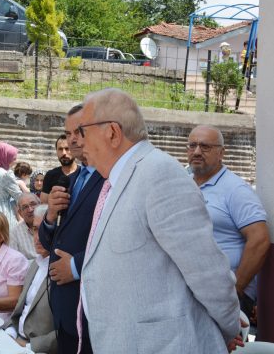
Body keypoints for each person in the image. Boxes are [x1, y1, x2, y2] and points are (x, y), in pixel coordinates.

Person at [76, 89, 241, 353]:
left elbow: (208, 273)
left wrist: (228, 329)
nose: (78, 141)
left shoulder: (160, 174)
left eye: (83, 131)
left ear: (113, 133)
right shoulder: (117, 180)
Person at [39, 104, 105, 354]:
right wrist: (50, 215)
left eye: (79, 131)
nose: (72, 139)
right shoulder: (71, 179)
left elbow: (116, 241)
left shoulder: (110, 180)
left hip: (91, 308)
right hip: (63, 306)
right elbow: (49, 242)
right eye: (68, 133)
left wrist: (76, 266)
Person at [187, 125, 270, 319]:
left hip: (225, 298)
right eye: (192, 145)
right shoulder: (183, 184)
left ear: (221, 153)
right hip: (191, 293)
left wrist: (235, 289)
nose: (197, 151)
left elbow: (260, 240)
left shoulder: (236, 190)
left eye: (205, 147)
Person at [6, 204, 57, 354]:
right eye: (35, 229)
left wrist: (28, 347)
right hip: (16, 340)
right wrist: (10, 333)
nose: (38, 237)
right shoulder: (35, 264)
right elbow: (20, 311)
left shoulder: (63, 271)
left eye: (44, 230)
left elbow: (68, 330)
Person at [40, 134, 78, 203]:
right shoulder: (50, 175)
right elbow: (44, 204)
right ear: (56, 152)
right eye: (60, 149)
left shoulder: (83, 174)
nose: (64, 153)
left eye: (67, 149)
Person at [10, 193, 40, 260]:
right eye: (25, 207)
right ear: (20, 213)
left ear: (40, 205)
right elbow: (14, 261)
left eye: (33, 204)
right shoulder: (14, 233)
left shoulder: (51, 225)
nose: (30, 210)